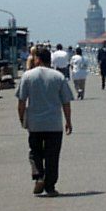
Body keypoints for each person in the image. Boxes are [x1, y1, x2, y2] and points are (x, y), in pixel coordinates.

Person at [16, 47, 73, 196]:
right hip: (54, 124)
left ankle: (39, 175)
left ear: (38, 59)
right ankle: (50, 187)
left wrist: (22, 118)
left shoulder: (28, 76)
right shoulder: (58, 76)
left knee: (35, 152)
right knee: (52, 156)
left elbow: (21, 101)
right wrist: (68, 121)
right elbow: (66, 102)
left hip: (35, 124)